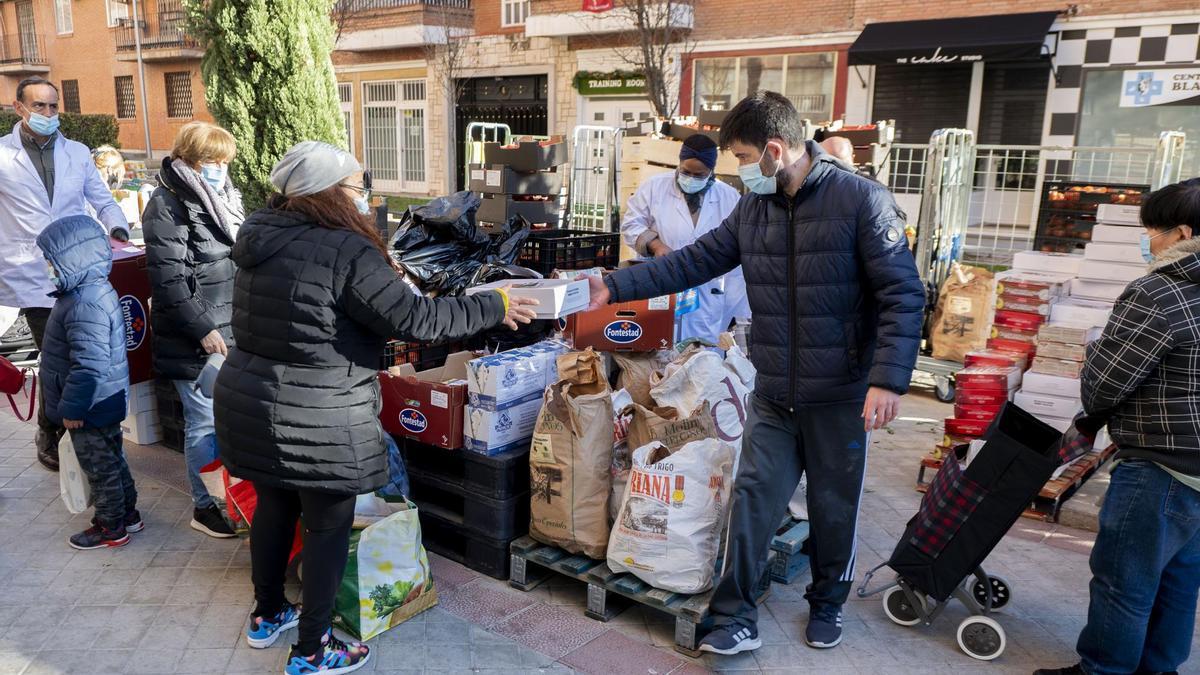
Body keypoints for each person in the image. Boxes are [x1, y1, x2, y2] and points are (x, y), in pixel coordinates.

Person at [586, 91, 924, 653]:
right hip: (772, 389)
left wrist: (887, 380)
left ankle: (828, 602)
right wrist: (616, 287)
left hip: (839, 393)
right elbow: (693, 260)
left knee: (832, 506)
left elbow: (903, 295)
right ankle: (733, 618)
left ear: (773, 150)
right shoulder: (754, 209)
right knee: (753, 500)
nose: (740, 172)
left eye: (743, 158)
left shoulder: (862, 202)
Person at [212, 141, 538, 675]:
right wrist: (494, 304)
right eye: (354, 185)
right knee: (326, 525)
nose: (362, 195)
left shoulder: (260, 236)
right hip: (319, 410)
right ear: (327, 193)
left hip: (250, 397)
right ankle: (312, 651)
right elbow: (418, 321)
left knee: (275, 507)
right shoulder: (345, 250)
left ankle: (267, 615)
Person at [1036, 178, 1200, 675]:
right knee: (1179, 581)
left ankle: (1103, 670)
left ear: (1183, 233)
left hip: (1159, 463)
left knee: (1123, 581)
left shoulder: (1160, 291)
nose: (1149, 240)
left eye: (1154, 230)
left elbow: (1104, 387)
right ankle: (1159, 669)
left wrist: (1092, 356)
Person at [0, 76, 130, 472]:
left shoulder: (77, 152)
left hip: (79, 269)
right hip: (32, 272)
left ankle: (64, 427)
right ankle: (52, 432)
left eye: (53, 106)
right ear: (18, 108)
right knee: (57, 358)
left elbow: (102, 199)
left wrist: (118, 227)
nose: (48, 114)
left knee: (76, 356)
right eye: (38, 106)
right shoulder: (2, 155)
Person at [142, 122, 244, 539]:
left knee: (225, 420)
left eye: (224, 161)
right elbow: (169, 279)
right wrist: (203, 328)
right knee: (203, 421)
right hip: (196, 337)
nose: (220, 169)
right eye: (212, 162)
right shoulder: (167, 205)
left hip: (229, 327)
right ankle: (205, 506)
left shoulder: (223, 198)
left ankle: (229, 497)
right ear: (188, 159)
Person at [35, 215, 139, 549]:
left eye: (51, 261)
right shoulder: (88, 291)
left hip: (90, 405)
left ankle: (111, 526)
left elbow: (89, 364)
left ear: (71, 259)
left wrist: (72, 408)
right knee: (113, 459)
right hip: (104, 399)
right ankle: (129, 514)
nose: (48, 267)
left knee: (99, 467)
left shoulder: (83, 303)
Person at [621, 133, 748, 343]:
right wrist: (656, 245)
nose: (691, 178)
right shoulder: (655, 187)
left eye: (699, 175)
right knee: (661, 348)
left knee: (704, 356)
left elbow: (738, 243)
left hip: (708, 291)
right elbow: (631, 224)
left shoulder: (728, 197)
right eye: (686, 172)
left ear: (711, 172)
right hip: (664, 282)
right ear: (679, 164)